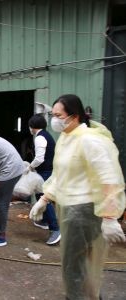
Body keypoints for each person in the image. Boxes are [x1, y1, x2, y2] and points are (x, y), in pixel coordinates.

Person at [29, 94, 126, 299]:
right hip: (69, 208)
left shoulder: (90, 140)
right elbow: (61, 174)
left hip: (83, 209)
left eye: (58, 115)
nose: (53, 119)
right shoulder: (66, 137)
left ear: (74, 116)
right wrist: (44, 199)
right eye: (52, 114)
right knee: (77, 260)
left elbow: (109, 177)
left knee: (74, 262)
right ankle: (86, 296)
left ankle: (78, 297)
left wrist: (110, 216)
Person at [28, 114, 61, 245]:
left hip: (45, 171)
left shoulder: (40, 138)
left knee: (44, 198)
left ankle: (55, 229)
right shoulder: (46, 135)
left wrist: (30, 166)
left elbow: (39, 158)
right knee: (40, 196)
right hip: (48, 170)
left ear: (32, 126)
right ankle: (45, 221)